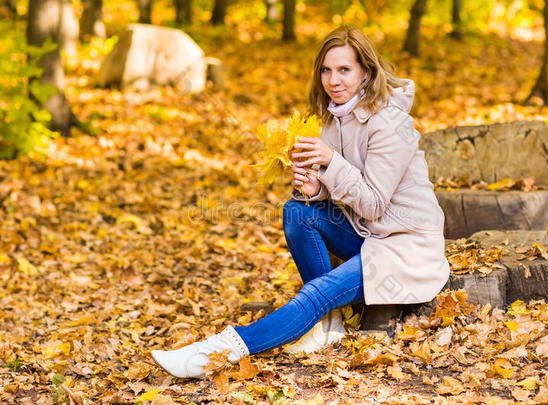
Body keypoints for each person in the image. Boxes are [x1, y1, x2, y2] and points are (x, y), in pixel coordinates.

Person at [151, 26, 450, 379]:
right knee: (297, 211)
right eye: (326, 70)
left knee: (316, 293)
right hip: (367, 234)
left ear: (366, 72)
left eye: (344, 70)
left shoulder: (390, 123)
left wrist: (330, 162)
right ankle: (328, 325)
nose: (333, 80)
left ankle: (213, 353)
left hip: (403, 246)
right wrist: (316, 189)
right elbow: (346, 191)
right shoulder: (332, 117)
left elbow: (372, 203)